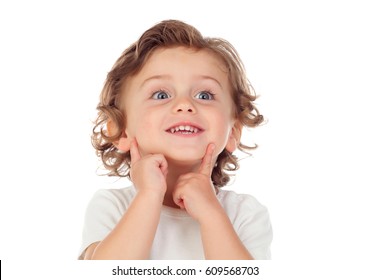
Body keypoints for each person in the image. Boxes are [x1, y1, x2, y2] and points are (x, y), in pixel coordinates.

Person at [79, 19, 272, 260]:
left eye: (205, 94)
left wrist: (211, 214)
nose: (185, 105)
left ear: (233, 132)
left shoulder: (244, 213)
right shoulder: (111, 206)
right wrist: (148, 195)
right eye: (161, 94)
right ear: (121, 131)